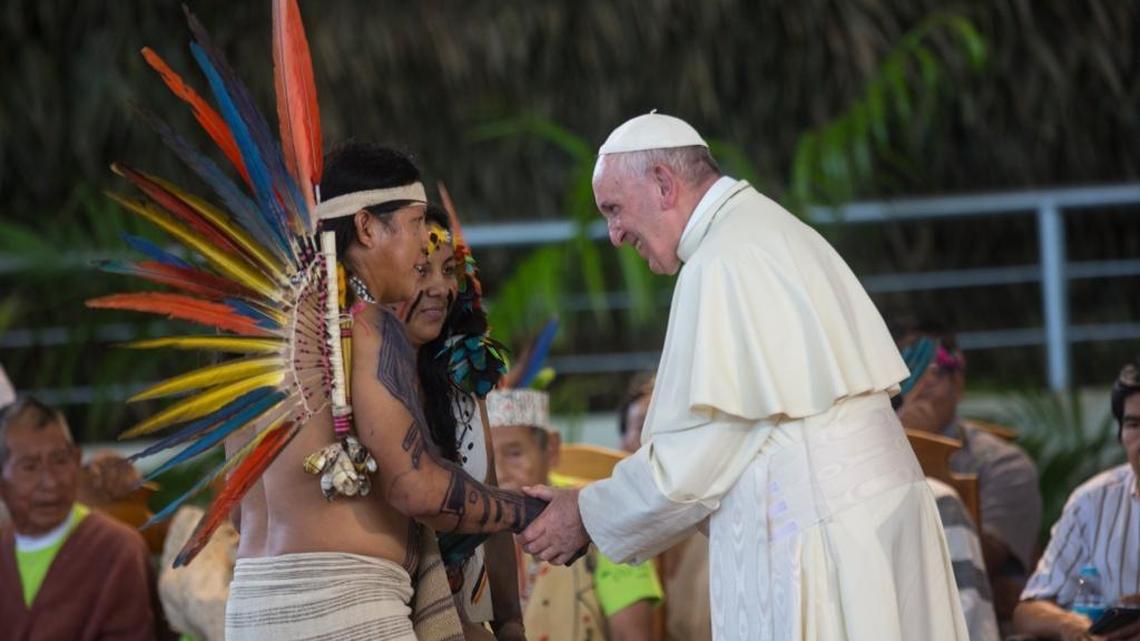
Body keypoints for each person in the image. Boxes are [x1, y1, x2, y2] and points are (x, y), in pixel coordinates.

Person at [518, 112, 968, 640]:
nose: (614, 234)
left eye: (614, 210)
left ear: (664, 183)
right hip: (870, 526)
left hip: (822, 543)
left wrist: (587, 511)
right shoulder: (768, 231)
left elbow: (694, 462)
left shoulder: (720, 262)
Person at [225, 142, 545, 641]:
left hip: (252, 607)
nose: (426, 244)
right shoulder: (368, 326)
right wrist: (528, 510)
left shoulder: (262, 334)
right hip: (344, 607)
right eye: (418, 224)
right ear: (368, 227)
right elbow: (413, 487)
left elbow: (236, 509)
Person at [401, 203, 525, 640]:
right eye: (422, 270)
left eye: (448, 270)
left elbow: (489, 509)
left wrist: (510, 623)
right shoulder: (354, 385)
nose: (439, 287)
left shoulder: (461, 382)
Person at [894, 327, 1043, 624]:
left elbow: (981, 559)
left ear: (958, 384)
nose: (917, 388)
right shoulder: (867, 455)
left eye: (932, 375)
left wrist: (919, 451)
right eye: (906, 376)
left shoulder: (1004, 464)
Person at [490, 387, 663, 641]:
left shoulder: (600, 512)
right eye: (487, 457)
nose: (499, 472)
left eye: (515, 454)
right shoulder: (461, 523)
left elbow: (631, 634)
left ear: (550, 449)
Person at [0, 396, 162, 641]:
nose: (51, 482)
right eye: (30, 467)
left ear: (76, 461)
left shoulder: (117, 549)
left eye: (60, 460)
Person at [1012, 362, 1140, 641]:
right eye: (1133, 424)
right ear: (1121, 435)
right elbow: (1029, 609)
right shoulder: (1092, 501)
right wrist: (1068, 624)